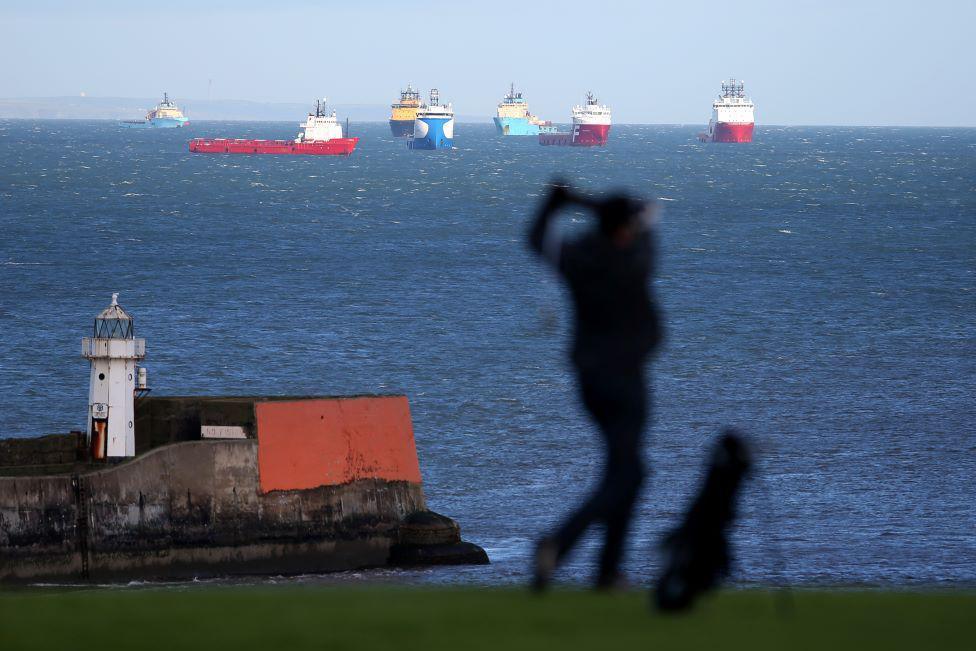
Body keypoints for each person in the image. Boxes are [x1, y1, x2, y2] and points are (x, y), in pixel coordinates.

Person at [528, 181, 663, 590]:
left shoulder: (580, 258)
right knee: (630, 473)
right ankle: (560, 543)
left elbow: (536, 240)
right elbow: (647, 228)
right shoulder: (634, 258)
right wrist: (598, 205)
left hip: (590, 380)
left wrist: (557, 204)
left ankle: (608, 571)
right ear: (623, 229)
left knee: (624, 469)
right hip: (627, 379)